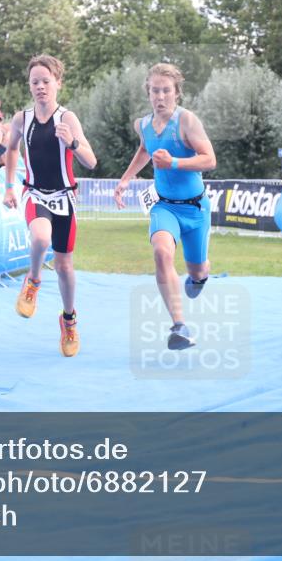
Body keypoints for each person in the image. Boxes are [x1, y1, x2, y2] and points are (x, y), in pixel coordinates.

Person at [114, 63, 217, 351]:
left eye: (166, 91)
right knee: (161, 252)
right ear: (148, 93)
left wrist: (173, 162)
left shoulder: (187, 122)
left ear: (176, 93)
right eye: (155, 91)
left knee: (197, 270)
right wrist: (125, 180)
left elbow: (209, 160)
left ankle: (200, 277)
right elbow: (145, 149)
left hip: (196, 209)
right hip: (164, 207)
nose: (160, 97)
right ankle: (179, 326)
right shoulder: (143, 125)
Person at [3, 54, 96, 357]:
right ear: (29, 86)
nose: (41, 87)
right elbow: (11, 148)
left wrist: (73, 143)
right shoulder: (22, 119)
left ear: (58, 83)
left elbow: (91, 161)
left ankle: (69, 321)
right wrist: (8, 185)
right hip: (35, 193)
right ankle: (32, 281)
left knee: (65, 265)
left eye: (46, 81)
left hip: (64, 197)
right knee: (40, 237)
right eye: (35, 82)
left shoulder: (66, 118)